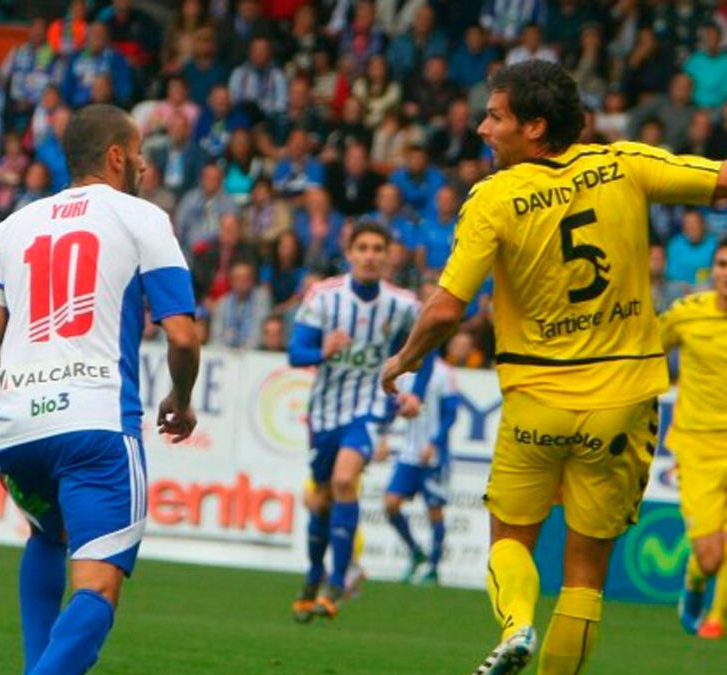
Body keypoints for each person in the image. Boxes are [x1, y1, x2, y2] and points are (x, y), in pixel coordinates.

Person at [381, 60, 727, 675]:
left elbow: (444, 311)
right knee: (585, 574)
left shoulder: (494, 198)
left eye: (495, 116)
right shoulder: (625, 164)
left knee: (510, 541)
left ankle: (516, 625)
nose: (483, 129)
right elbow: (722, 180)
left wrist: (404, 358)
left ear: (536, 128)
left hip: (538, 399)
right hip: (623, 403)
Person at [0, 104, 200, 674]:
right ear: (118, 156)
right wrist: (182, 398)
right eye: (141, 152)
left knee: (48, 536)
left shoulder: (11, 228)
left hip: (19, 426)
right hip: (96, 425)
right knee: (97, 587)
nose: (145, 165)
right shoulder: (141, 217)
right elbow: (184, 336)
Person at [287, 221, 425, 623]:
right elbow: (295, 352)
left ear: (388, 256)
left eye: (377, 249)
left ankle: (339, 578)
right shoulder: (324, 297)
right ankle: (315, 574)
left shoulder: (403, 305)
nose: (369, 255)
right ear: (349, 253)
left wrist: (415, 387)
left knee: (346, 480)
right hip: (325, 410)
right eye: (362, 248)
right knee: (320, 498)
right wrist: (320, 349)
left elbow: (427, 347)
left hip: (368, 407)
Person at [661, 242, 727, 640]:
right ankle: (697, 579)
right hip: (698, 447)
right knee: (711, 553)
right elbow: (646, 346)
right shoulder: (688, 314)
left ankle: (716, 619)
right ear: (713, 270)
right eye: (722, 264)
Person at [383, 341, 459, 586]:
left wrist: (435, 443)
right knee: (391, 503)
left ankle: (434, 568)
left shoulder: (444, 373)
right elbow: (393, 406)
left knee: (434, 511)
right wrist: (384, 435)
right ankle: (415, 551)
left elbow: (451, 414)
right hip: (408, 453)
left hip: (433, 455)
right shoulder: (405, 371)